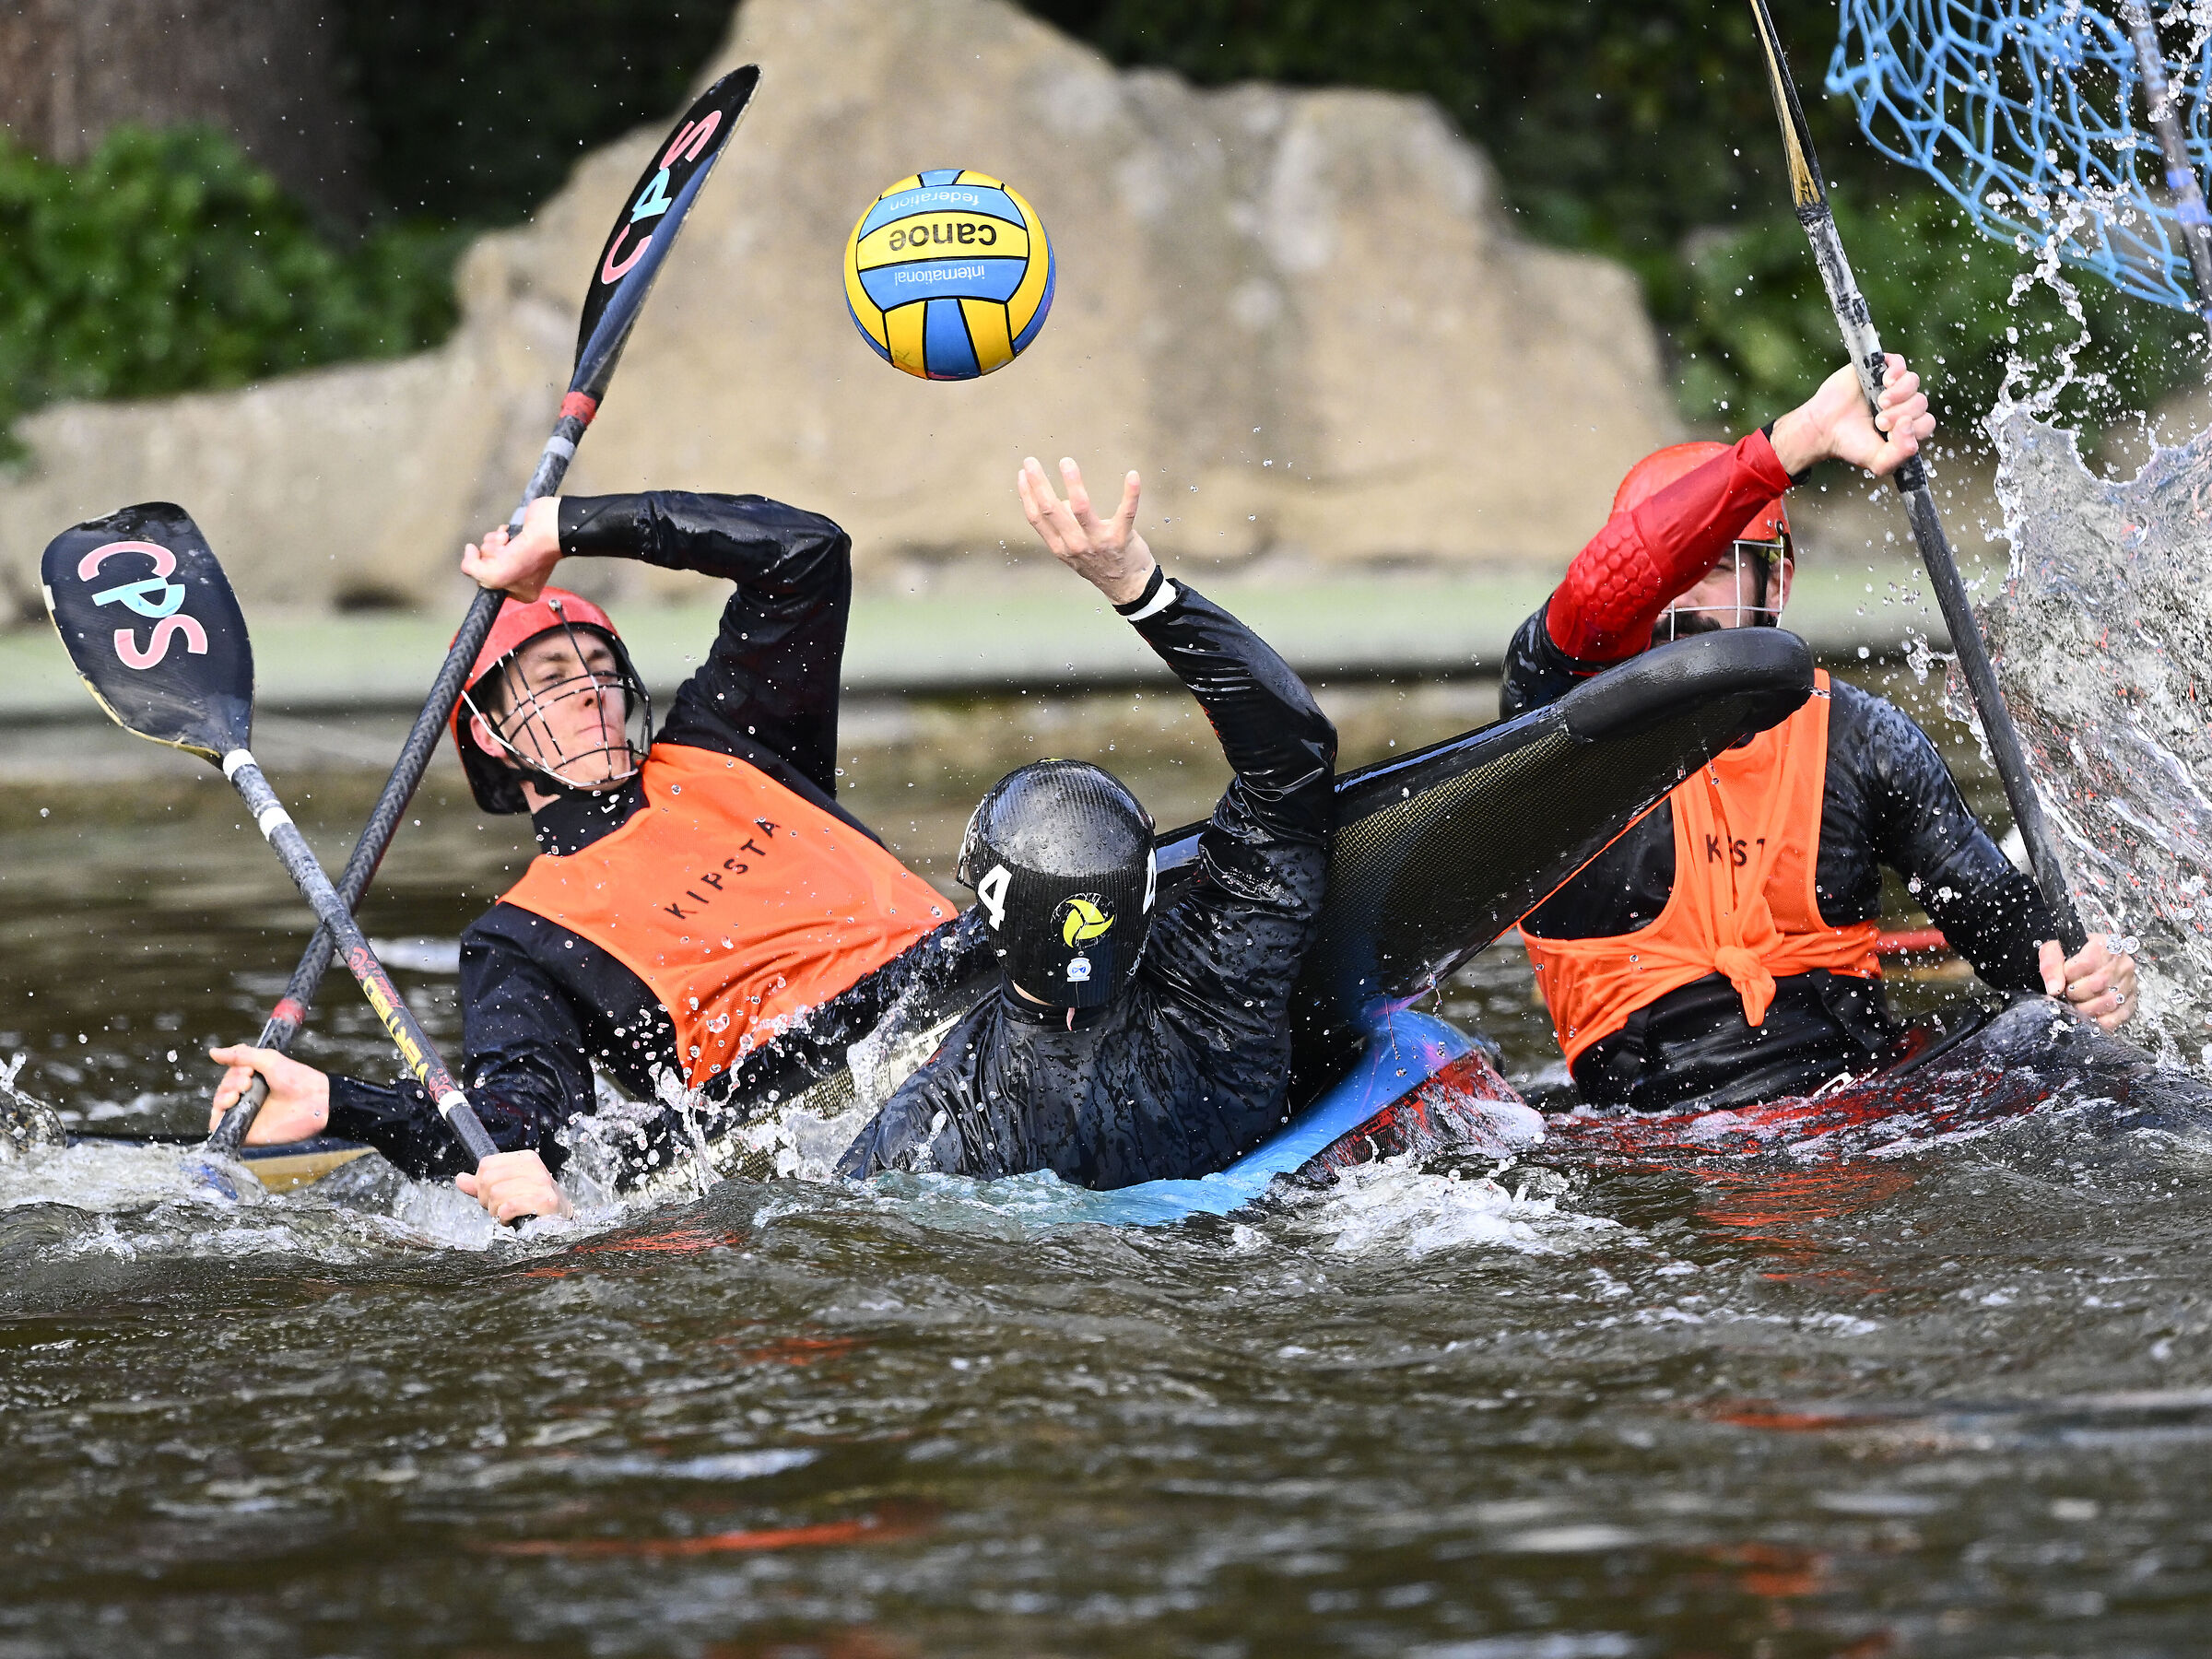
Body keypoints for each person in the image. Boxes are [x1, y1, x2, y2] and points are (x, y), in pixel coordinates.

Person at [207, 488, 954, 1221]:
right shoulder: (519, 939)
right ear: (492, 736)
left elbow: (808, 554)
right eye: (555, 679)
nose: (593, 691)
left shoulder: (733, 737)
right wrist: (342, 1103)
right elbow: (522, 1136)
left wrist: (572, 528)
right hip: (805, 1106)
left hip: (960, 980)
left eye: (601, 665)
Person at [1507, 355, 2138, 1112]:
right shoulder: (1563, 727)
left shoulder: (1865, 739)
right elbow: (1609, 585)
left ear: (1776, 584)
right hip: (1659, 1129)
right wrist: (1797, 438)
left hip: (1865, 1113)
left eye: (1715, 568)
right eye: (1674, 568)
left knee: (2051, 1035)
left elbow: (2008, 936)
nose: (1682, 588)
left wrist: (2083, 978)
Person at [836, 457, 1337, 1188]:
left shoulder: (945, 1119)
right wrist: (1141, 590)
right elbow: (1294, 755)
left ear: (992, 923)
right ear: (1141, 896)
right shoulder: (1224, 984)